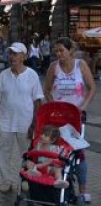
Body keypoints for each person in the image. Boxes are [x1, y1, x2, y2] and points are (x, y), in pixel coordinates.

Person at [43, 37, 96, 205]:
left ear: (70, 50)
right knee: (56, 149)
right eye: (56, 51)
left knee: (78, 154)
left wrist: (83, 107)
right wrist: (52, 104)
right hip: (58, 116)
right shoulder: (54, 67)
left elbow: (92, 88)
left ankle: (83, 190)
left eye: (61, 51)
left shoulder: (81, 66)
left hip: (76, 116)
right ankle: (55, 181)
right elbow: (47, 89)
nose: (58, 54)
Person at [0, 42, 44, 193]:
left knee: (27, 153)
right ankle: (6, 180)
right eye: (11, 53)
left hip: (25, 122)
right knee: (3, 152)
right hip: (5, 121)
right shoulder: (3, 75)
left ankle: (26, 179)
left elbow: (37, 101)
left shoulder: (32, 75)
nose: (12, 56)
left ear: (24, 56)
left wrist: (34, 125)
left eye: (15, 53)